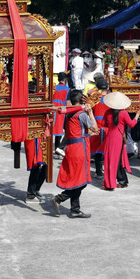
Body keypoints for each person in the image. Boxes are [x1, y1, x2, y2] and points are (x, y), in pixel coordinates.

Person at [48, 89, 97, 218]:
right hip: (79, 149)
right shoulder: (81, 114)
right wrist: (90, 112)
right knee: (82, 181)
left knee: (77, 180)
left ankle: (75, 209)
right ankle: (59, 199)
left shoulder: (69, 114)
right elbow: (95, 129)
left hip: (71, 147)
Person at [100, 91, 138, 190]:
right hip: (119, 138)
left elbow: (104, 124)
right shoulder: (124, 113)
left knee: (109, 160)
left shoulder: (108, 112)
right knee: (118, 160)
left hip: (110, 138)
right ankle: (122, 181)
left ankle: (112, 182)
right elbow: (132, 124)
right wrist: (137, 115)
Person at [51, 72, 71, 157]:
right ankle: (58, 150)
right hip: (61, 111)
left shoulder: (53, 88)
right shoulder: (67, 89)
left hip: (52, 110)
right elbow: (68, 103)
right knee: (60, 132)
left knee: (52, 130)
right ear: (65, 80)